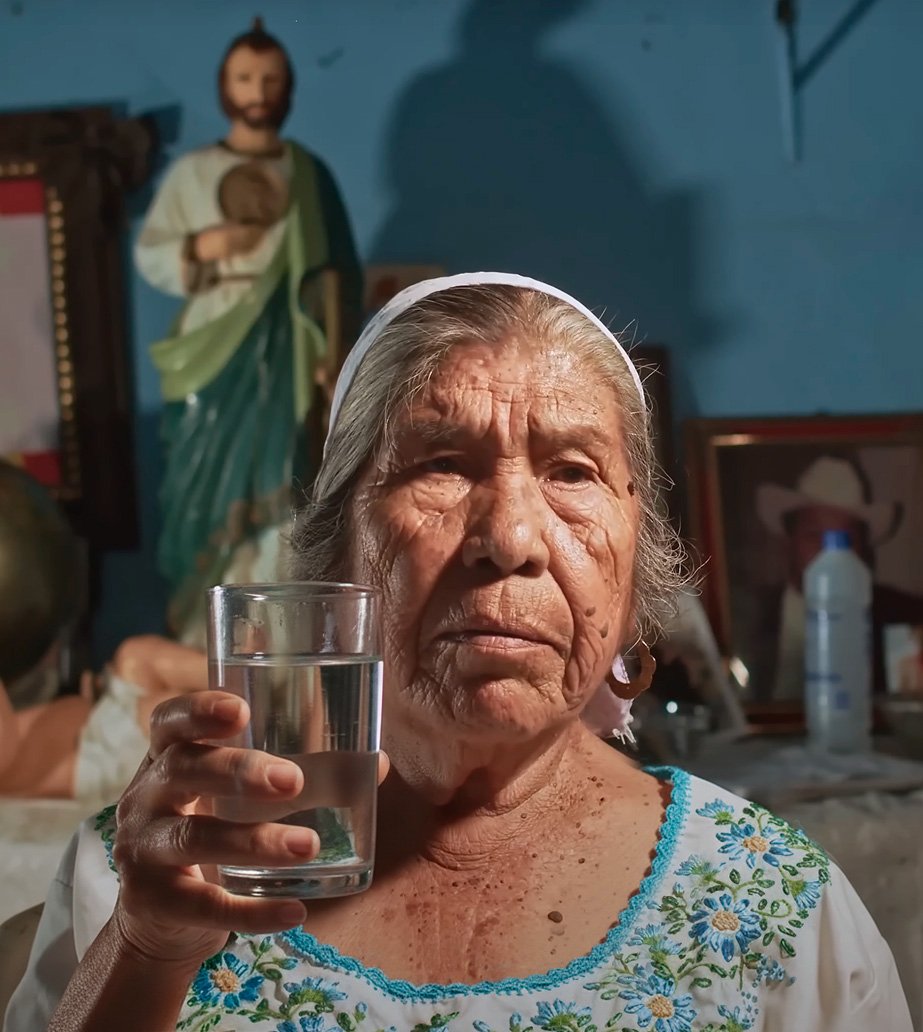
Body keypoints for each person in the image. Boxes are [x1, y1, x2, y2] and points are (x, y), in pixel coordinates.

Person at [5, 274, 911, 1031]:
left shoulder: (773, 908)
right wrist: (147, 950)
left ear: (634, 570)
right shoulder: (161, 873)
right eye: (441, 463)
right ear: (335, 554)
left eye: (573, 472)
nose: (510, 537)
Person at [134, 18, 362, 643]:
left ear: (287, 88)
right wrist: (202, 246)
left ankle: (277, 641)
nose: (257, 91)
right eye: (244, 78)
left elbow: (338, 274)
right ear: (224, 86)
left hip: (288, 353)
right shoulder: (193, 173)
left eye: (270, 79)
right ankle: (197, 634)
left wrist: (332, 349)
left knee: (284, 486)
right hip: (212, 347)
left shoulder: (308, 175)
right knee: (197, 485)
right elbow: (152, 252)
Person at [753, 455, 923, 700]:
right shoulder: (748, 617)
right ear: (789, 541)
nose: (829, 551)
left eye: (845, 538)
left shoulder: (902, 618)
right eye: (814, 535)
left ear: (862, 549)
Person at [0, 635, 207, 800]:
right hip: (102, 756)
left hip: (100, 716)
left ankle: (224, 675)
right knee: (169, 709)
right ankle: (223, 699)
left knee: (134, 655)